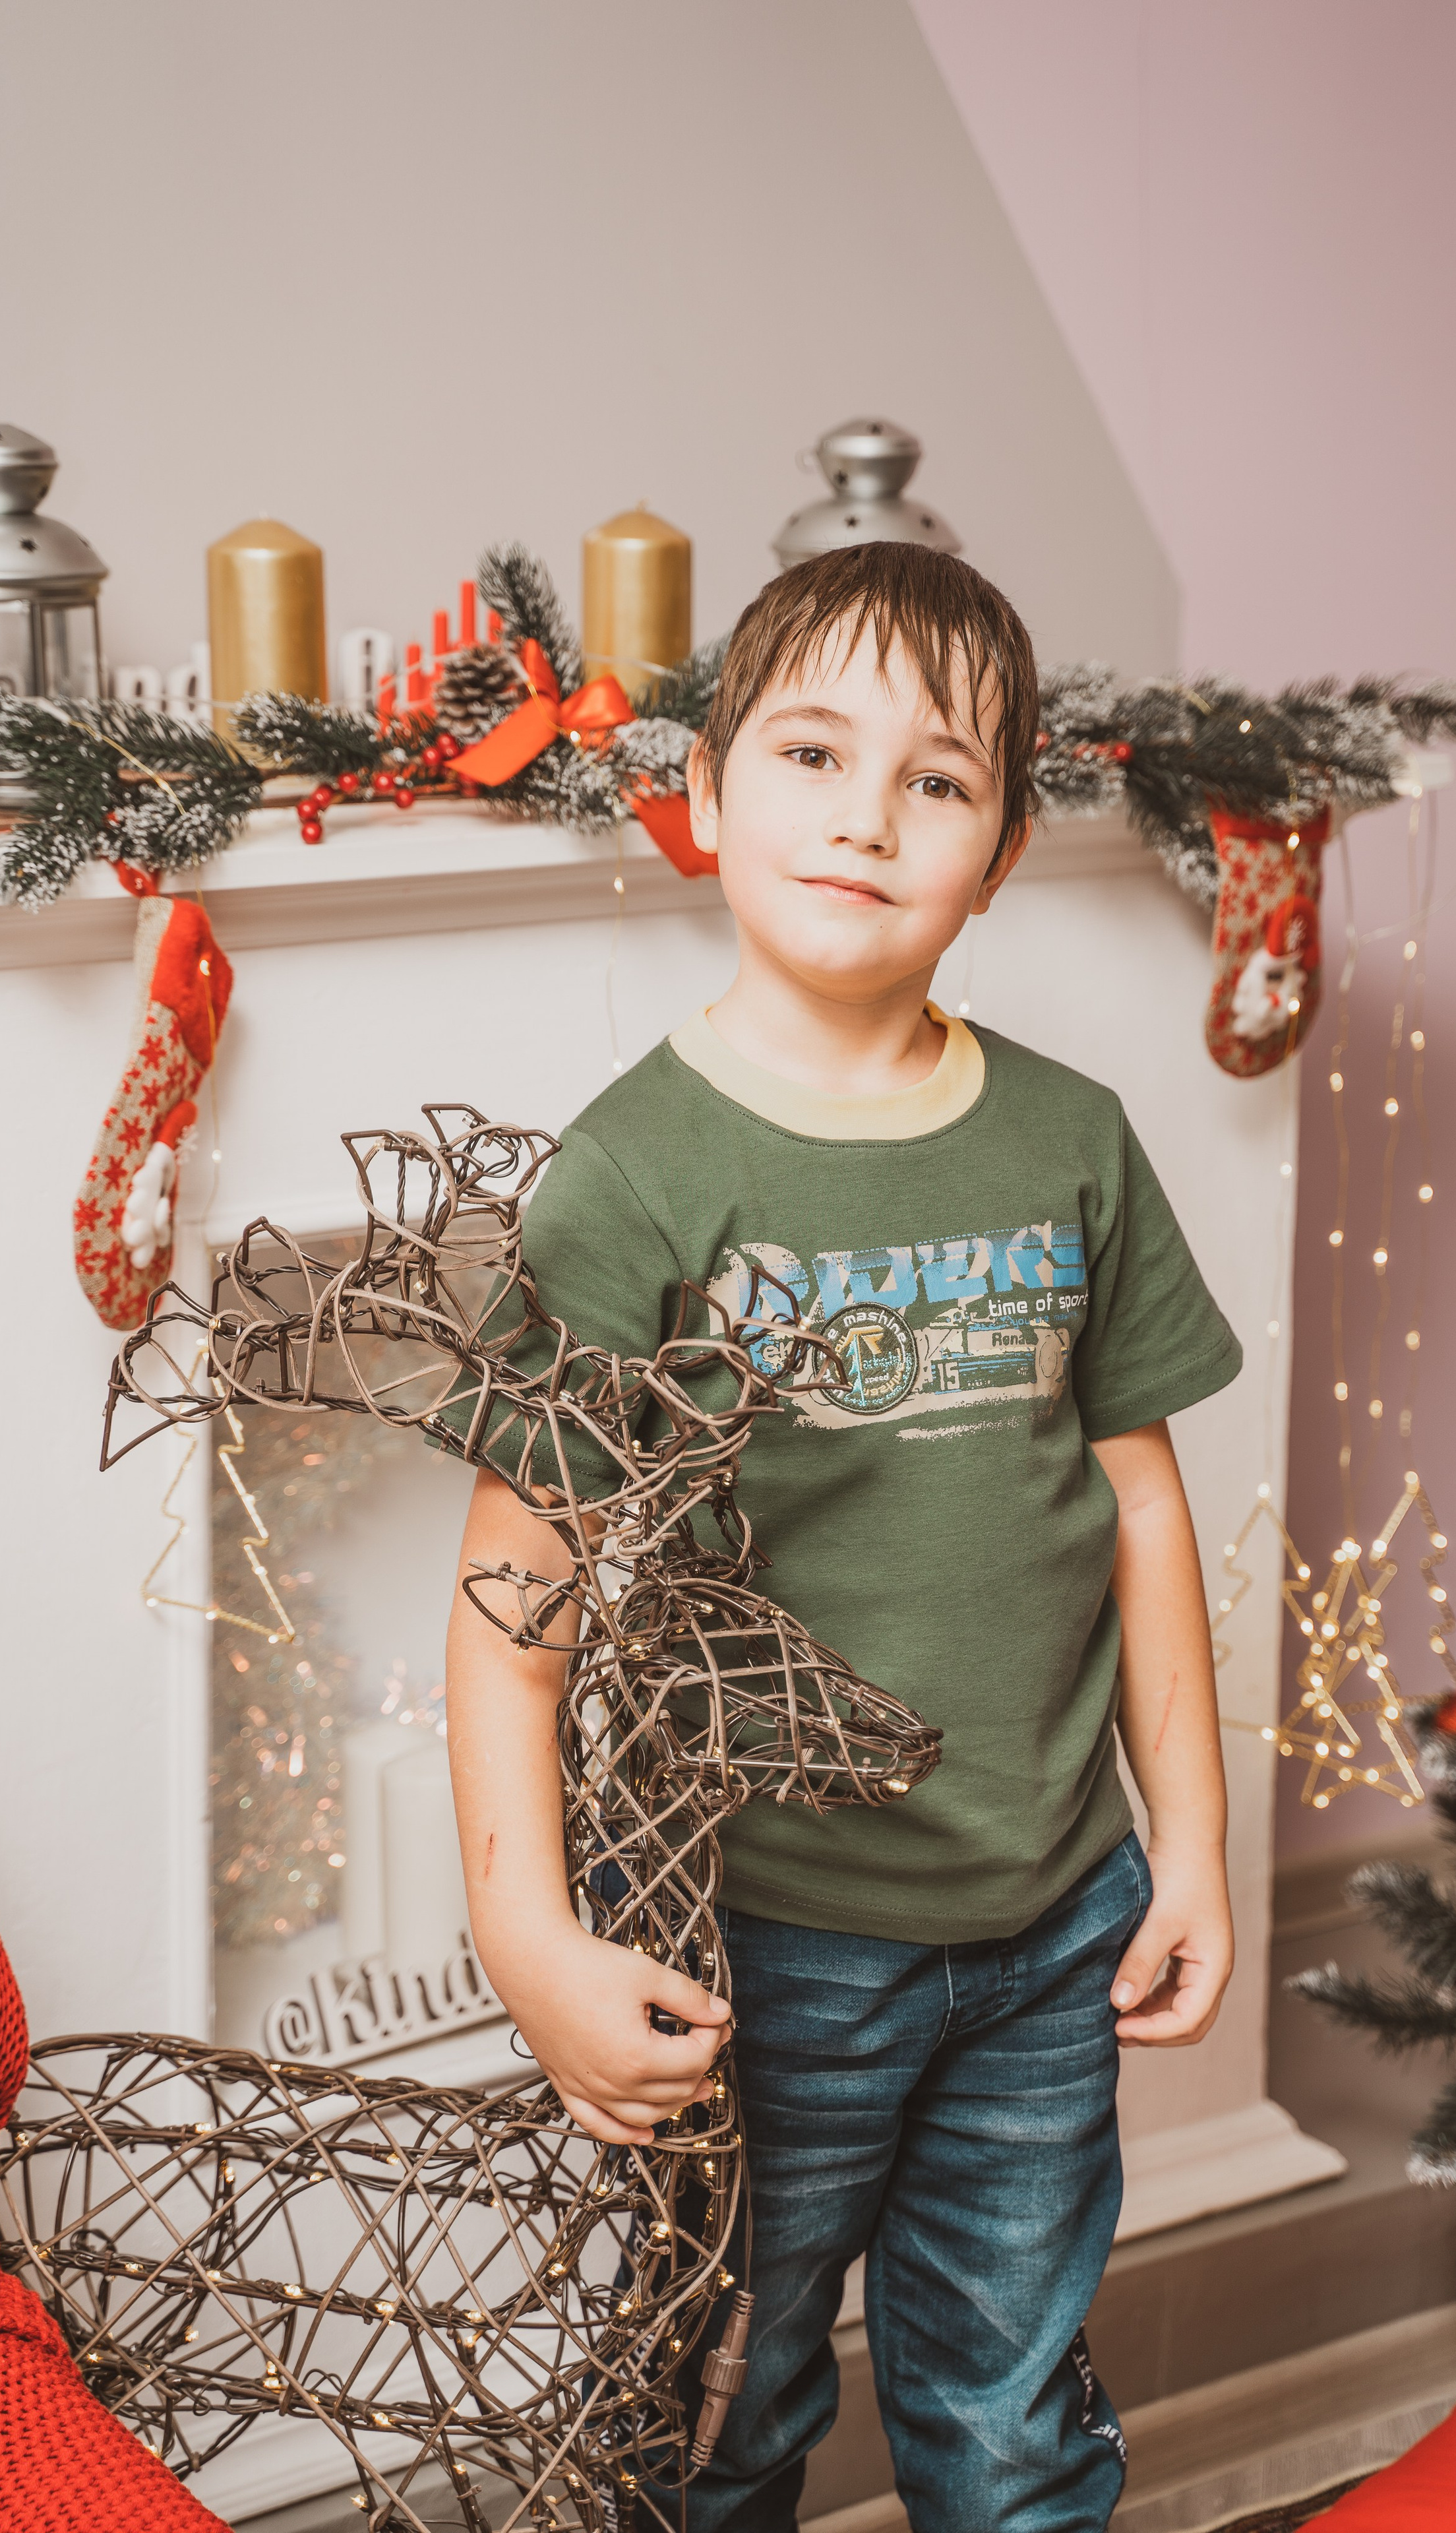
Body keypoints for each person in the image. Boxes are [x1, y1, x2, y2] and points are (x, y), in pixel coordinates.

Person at [444, 543, 1241, 2532]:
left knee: (1013, 2425)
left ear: (998, 852)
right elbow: (512, 1599)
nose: (871, 816)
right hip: (762, 1950)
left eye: (940, 779)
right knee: (723, 2409)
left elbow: (1139, 1503)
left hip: (1054, 1925)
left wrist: (1201, 1845)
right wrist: (528, 1938)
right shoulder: (636, 1174)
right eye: (813, 751)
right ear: (705, 798)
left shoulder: (1071, 1137)